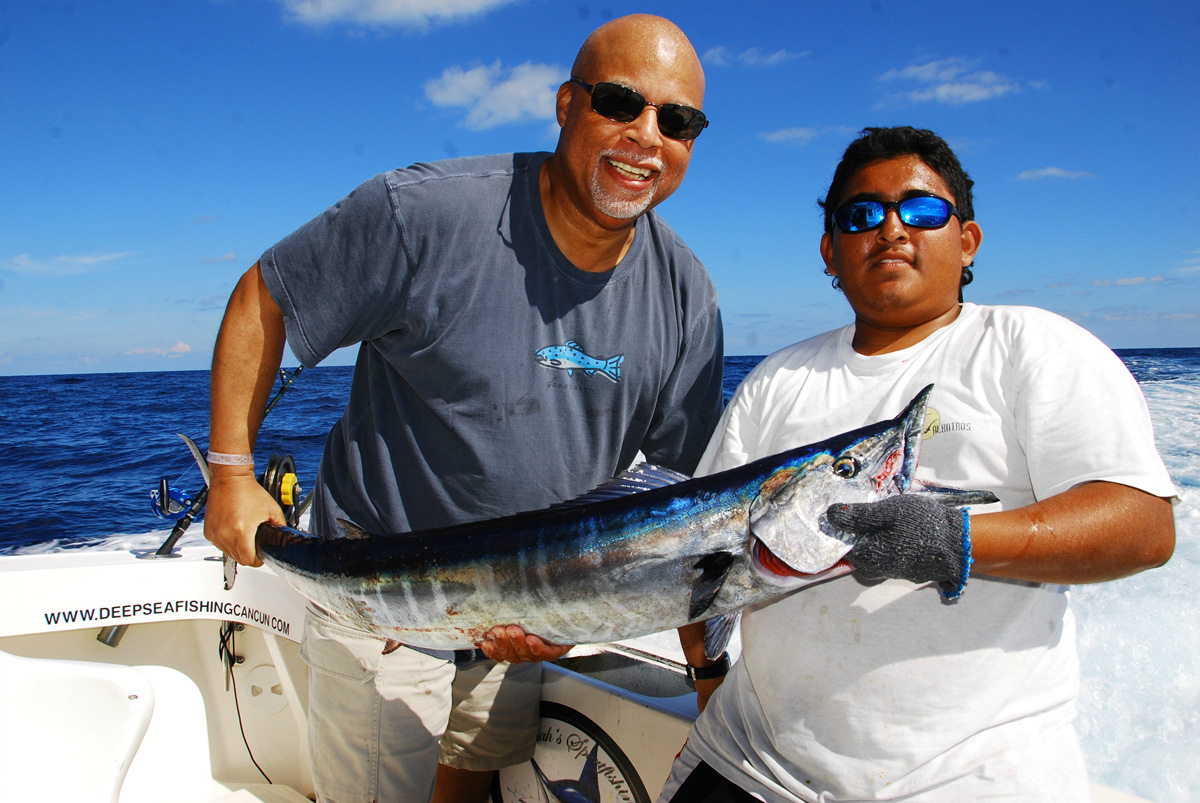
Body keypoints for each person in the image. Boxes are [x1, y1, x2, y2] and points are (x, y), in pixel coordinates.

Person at [203, 14, 723, 803]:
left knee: (471, 783)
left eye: (676, 120)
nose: (647, 136)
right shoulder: (422, 214)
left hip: (531, 608)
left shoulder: (687, 296)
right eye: (621, 102)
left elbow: (676, 513)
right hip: (379, 591)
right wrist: (232, 470)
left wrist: (677, 659)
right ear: (565, 105)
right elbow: (265, 297)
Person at [662, 126, 1176, 802]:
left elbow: (1143, 526)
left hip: (972, 782)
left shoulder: (1037, 348)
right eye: (862, 214)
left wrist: (955, 540)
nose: (893, 228)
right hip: (748, 765)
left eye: (923, 209)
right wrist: (705, 673)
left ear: (968, 241)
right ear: (830, 252)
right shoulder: (775, 379)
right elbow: (703, 557)